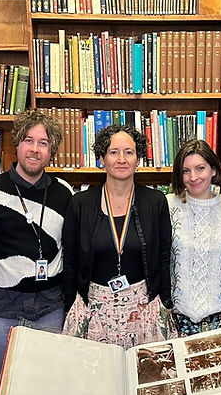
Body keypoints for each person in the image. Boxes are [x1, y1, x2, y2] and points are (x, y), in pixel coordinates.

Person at [0, 110, 73, 393]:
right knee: (2, 389)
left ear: (52, 151)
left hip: (50, 306)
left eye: (43, 143)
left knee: (48, 387)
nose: (34, 149)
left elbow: (72, 249)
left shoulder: (65, 194)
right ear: (17, 144)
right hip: (1, 307)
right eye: (28, 140)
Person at [62, 123, 172, 349]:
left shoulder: (155, 202)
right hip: (93, 310)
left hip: (143, 309)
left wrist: (165, 301)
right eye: (113, 152)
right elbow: (70, 260)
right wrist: (71, 303)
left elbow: (164, 257)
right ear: (102, 159)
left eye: (129, 152)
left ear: (138, 159)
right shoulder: (80, 203)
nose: (122, 159)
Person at [167, 139, 221, 336]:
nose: (193, 177)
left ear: (214, 170)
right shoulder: (167, 206)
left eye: (200, 168)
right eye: (185, 171)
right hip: (176, 318)